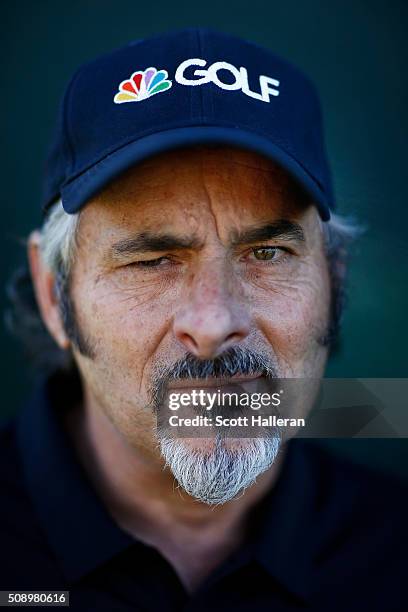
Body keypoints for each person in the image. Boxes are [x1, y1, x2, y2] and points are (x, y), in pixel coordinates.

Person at [1, 28, 407, 611]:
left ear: (334, 283)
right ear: (52, 294)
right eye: (152, 260)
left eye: (267, 254)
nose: (214, 323)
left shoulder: (392, 551)